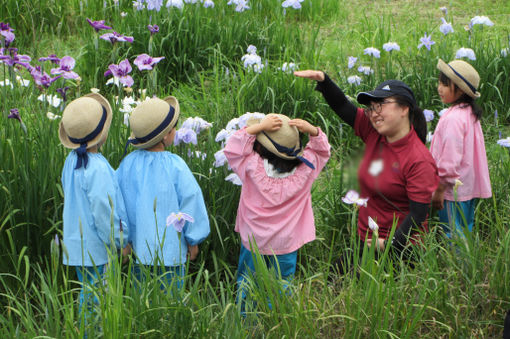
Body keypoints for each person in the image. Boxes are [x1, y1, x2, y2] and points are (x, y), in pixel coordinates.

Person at [294, 70, 439, 272]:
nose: (374, 112)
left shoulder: (418, 159)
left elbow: (418, 214)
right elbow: (343, 106)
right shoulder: (374, 133)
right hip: (367, 243)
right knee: (333, 278)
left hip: (402, 250)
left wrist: (388, 245)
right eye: (371, 108)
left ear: (404, 108)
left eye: (381, 105)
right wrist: (324, 81)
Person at [223, 113, 331, 314]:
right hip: (287, 242)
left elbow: (233, 147)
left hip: (254, 240)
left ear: (261, 147)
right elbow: (322, 151)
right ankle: (277, 318)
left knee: (248, 279)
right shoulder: (306, 170)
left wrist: (256, 128)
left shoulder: (251, 166)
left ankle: (246, 319)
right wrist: (314, 131)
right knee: (283, 282)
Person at [116, 96, 210, 290]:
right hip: (172, 252)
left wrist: (123, 241)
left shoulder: (127, 165)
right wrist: (193, 239)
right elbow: (190, 202)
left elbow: (118, 205)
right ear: (167, 136)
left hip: (139, 251)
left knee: (141, 300)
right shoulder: (176, 166)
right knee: (171, 300)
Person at [59, 93, 129, 330]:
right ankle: (93, 334)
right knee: (97, 298)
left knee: (88, 292)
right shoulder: (97, 168)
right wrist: (119, 241)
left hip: (76, 242)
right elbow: (104, 212)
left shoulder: (71, 160)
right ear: (103, 133)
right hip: (98, 246)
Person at [430, 59, 491, 238]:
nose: (439, 88)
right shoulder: (469, 114)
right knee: (465, 229)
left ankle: (456, 266)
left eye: (445, 84)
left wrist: (440, 189)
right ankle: (468, 263)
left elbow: (450, 159)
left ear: (460, 89)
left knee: (452, 233)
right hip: (468, 187)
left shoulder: (453, 118)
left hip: (451, 190)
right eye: (439, 82)